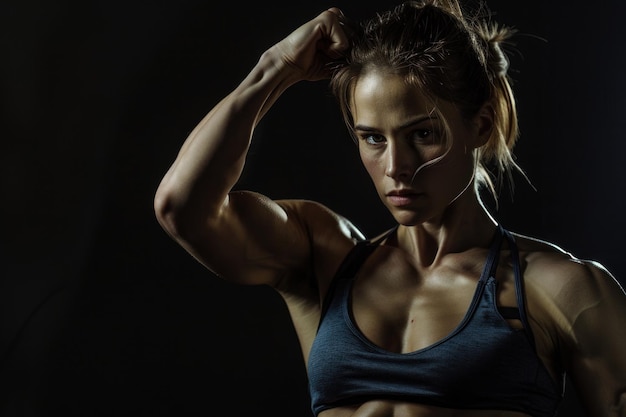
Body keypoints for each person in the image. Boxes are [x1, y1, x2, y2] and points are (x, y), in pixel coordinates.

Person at [153, 0, 626, 416]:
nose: (397, 167)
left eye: (423, 134)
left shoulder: (557, 289)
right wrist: (275, 67)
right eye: (373, 139)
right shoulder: (325, 259)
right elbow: (182, 206)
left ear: (480, 127)